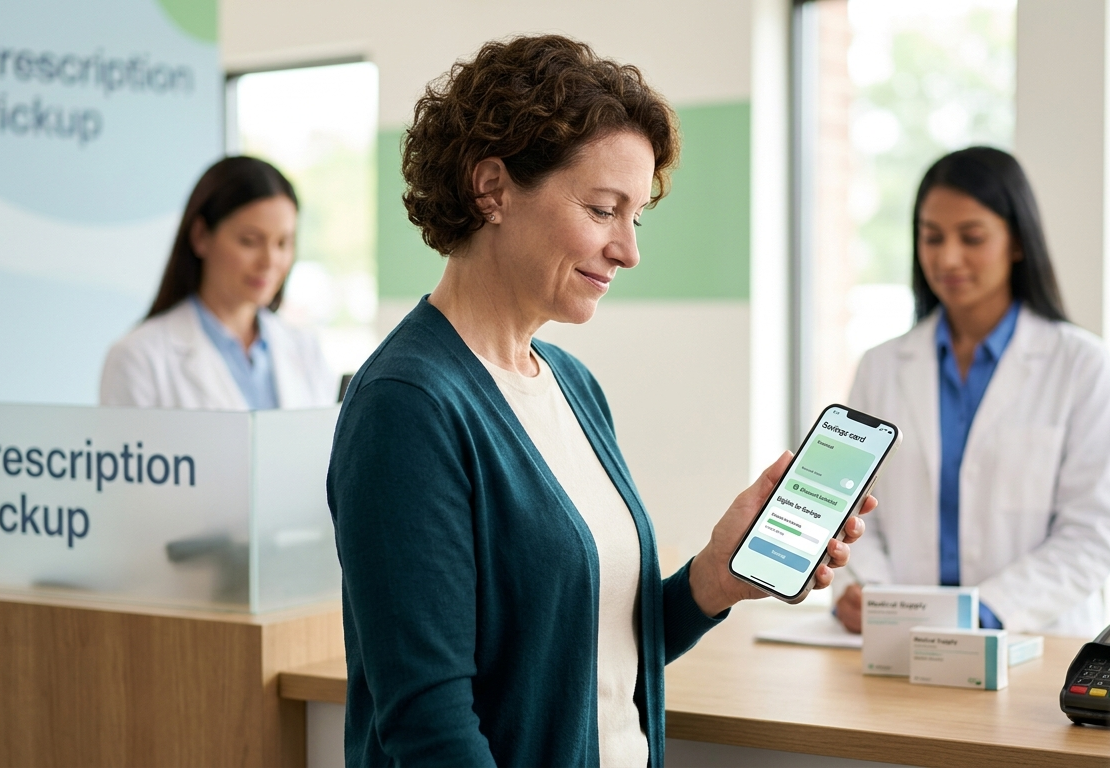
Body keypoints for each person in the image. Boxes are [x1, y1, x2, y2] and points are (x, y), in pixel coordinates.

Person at [328, 35, 874, 768]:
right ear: (492, 188)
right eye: (601, 209)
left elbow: (600, 647)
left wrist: (715, 576)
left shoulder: (572, 387)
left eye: (635, 216)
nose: (628, 250)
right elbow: (429, 725)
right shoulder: (408, 406)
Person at [833, 146, 1110, 637]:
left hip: (1030, 642)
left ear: (1017, 242)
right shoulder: (881, 367)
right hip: (895, 644)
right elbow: (849, 514)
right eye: (932, 237)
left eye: (971, 237)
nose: (948, 258)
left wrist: (977, 616)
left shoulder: (1080, 365)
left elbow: (1087, 536)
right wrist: (861, 591)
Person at [99, 156, 336, 410]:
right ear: (201, 236)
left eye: (282, 243)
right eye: (249, 241)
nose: (269, 261)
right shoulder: (138, 358)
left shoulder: (306, 351)